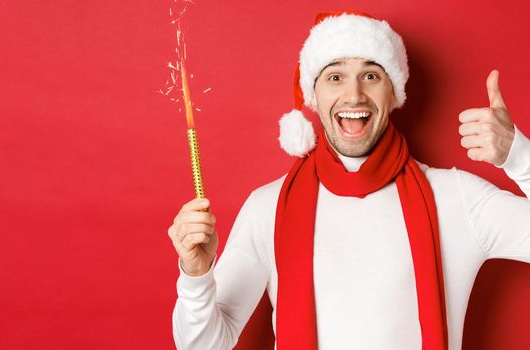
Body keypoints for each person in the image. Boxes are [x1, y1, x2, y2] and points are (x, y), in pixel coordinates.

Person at [167, 10, 530, 350]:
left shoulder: (458, 199)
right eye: (335, 77)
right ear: (314, 95)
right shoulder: (268, 207)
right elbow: (202, 345)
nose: (353, 95)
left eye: (371, 75)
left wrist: (519, 157)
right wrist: (196, 276)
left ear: (394, 91)